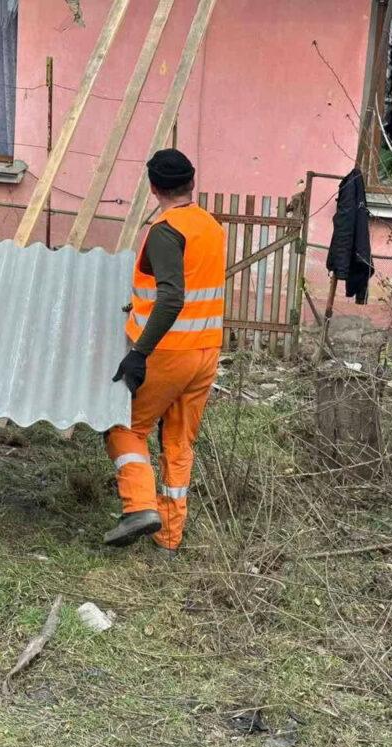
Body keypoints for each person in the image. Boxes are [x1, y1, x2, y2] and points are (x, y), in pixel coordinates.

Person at [105, 148, 225, 557]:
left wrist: (139, 352)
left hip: (168, 352)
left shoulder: (164, 230)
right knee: (178, 440)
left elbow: (172, 297)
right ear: (191, 182)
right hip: (206, 352)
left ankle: (139, 508)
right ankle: (169, 538)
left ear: (153, 186)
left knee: (125, 428)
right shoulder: (209, 226)